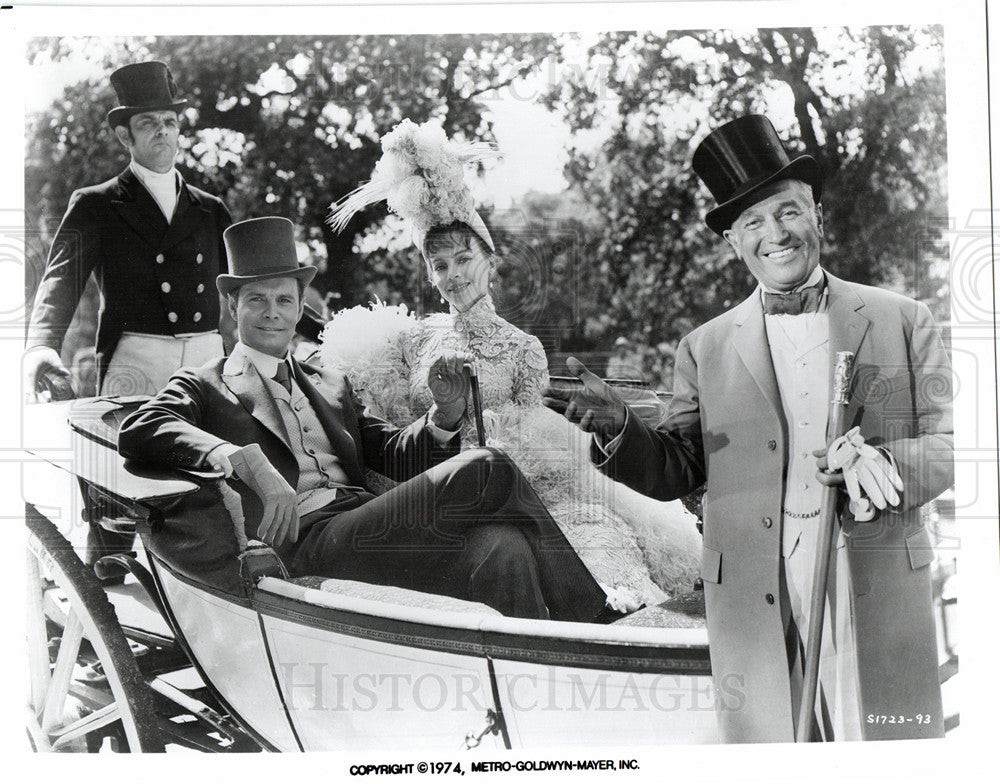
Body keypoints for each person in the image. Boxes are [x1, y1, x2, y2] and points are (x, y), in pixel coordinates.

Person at [544, 115, 953, 742]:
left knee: (887, 756)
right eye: (753, 223)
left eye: (787, 212)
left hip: (872, 578)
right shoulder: (703, 349)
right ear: (733, 241)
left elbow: (954, 448)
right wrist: (621, 429)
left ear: (815, 213)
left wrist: (885, 464)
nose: (776, 235)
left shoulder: (904, 319)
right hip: (754, 599)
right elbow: (678, 466)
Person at [117, 216, 612, 624]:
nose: (273, 314)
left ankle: (539, 685)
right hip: (305, 542)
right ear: (232, 306)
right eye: (257, 300)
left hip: (367, 524)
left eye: (284, 300)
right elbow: (139, 429)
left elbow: (395, 456)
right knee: (489, 466)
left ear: (298, 308)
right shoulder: (204, 382)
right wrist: (241, 459)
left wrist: (443, 415)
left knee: (502, 546)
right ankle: (599, 624)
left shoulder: (329, 382)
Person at [323, 119, 700, 608]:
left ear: (490, 261)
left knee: (589, 551)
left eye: (464, 259)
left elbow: (546, 452)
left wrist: (496, 438)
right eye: (440, 266)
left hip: (525, 494)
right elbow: (392, 435)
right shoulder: (413, 340)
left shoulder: (524, 348)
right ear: (430, 274)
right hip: (443, 498)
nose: (454, 275)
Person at [24, 60, 233, 400]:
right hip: (136, 359)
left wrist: (326, 334)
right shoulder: (97, 203)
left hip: (206, 358)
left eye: (169, 122)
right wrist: (42, 346)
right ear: (125, 136)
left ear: (179, 129)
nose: (162, 130)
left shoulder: (210, 208)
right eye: (148, 123)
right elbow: (60, 280)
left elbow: (255, 281)